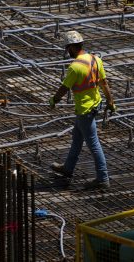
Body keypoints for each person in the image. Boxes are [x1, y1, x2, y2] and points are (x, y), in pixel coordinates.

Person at [49, 31, 116, 190]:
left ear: (72, 47)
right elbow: (104, 83)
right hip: (94, 105)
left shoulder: (75, 67)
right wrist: (111, 101)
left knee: (93, 144)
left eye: (68, 49)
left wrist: (54, 100)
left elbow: (64, 88)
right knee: (77, 139)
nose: (67, 52)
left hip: (85, 110)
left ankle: (102, 178)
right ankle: (68, 168)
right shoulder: (95, 59)